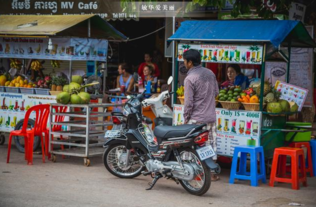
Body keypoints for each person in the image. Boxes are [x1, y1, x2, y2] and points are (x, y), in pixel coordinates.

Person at [183, 49, 220, 181]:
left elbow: (188, 103)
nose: (184, 63)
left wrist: (185, 118)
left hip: (196, 119)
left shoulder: (190, 78)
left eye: (185, 61)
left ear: (190, 62)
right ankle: (212, 172)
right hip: (210, 117)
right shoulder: (210, 73)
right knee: (209, 145)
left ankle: (197, 173)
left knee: (193, 146)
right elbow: (216, 93)